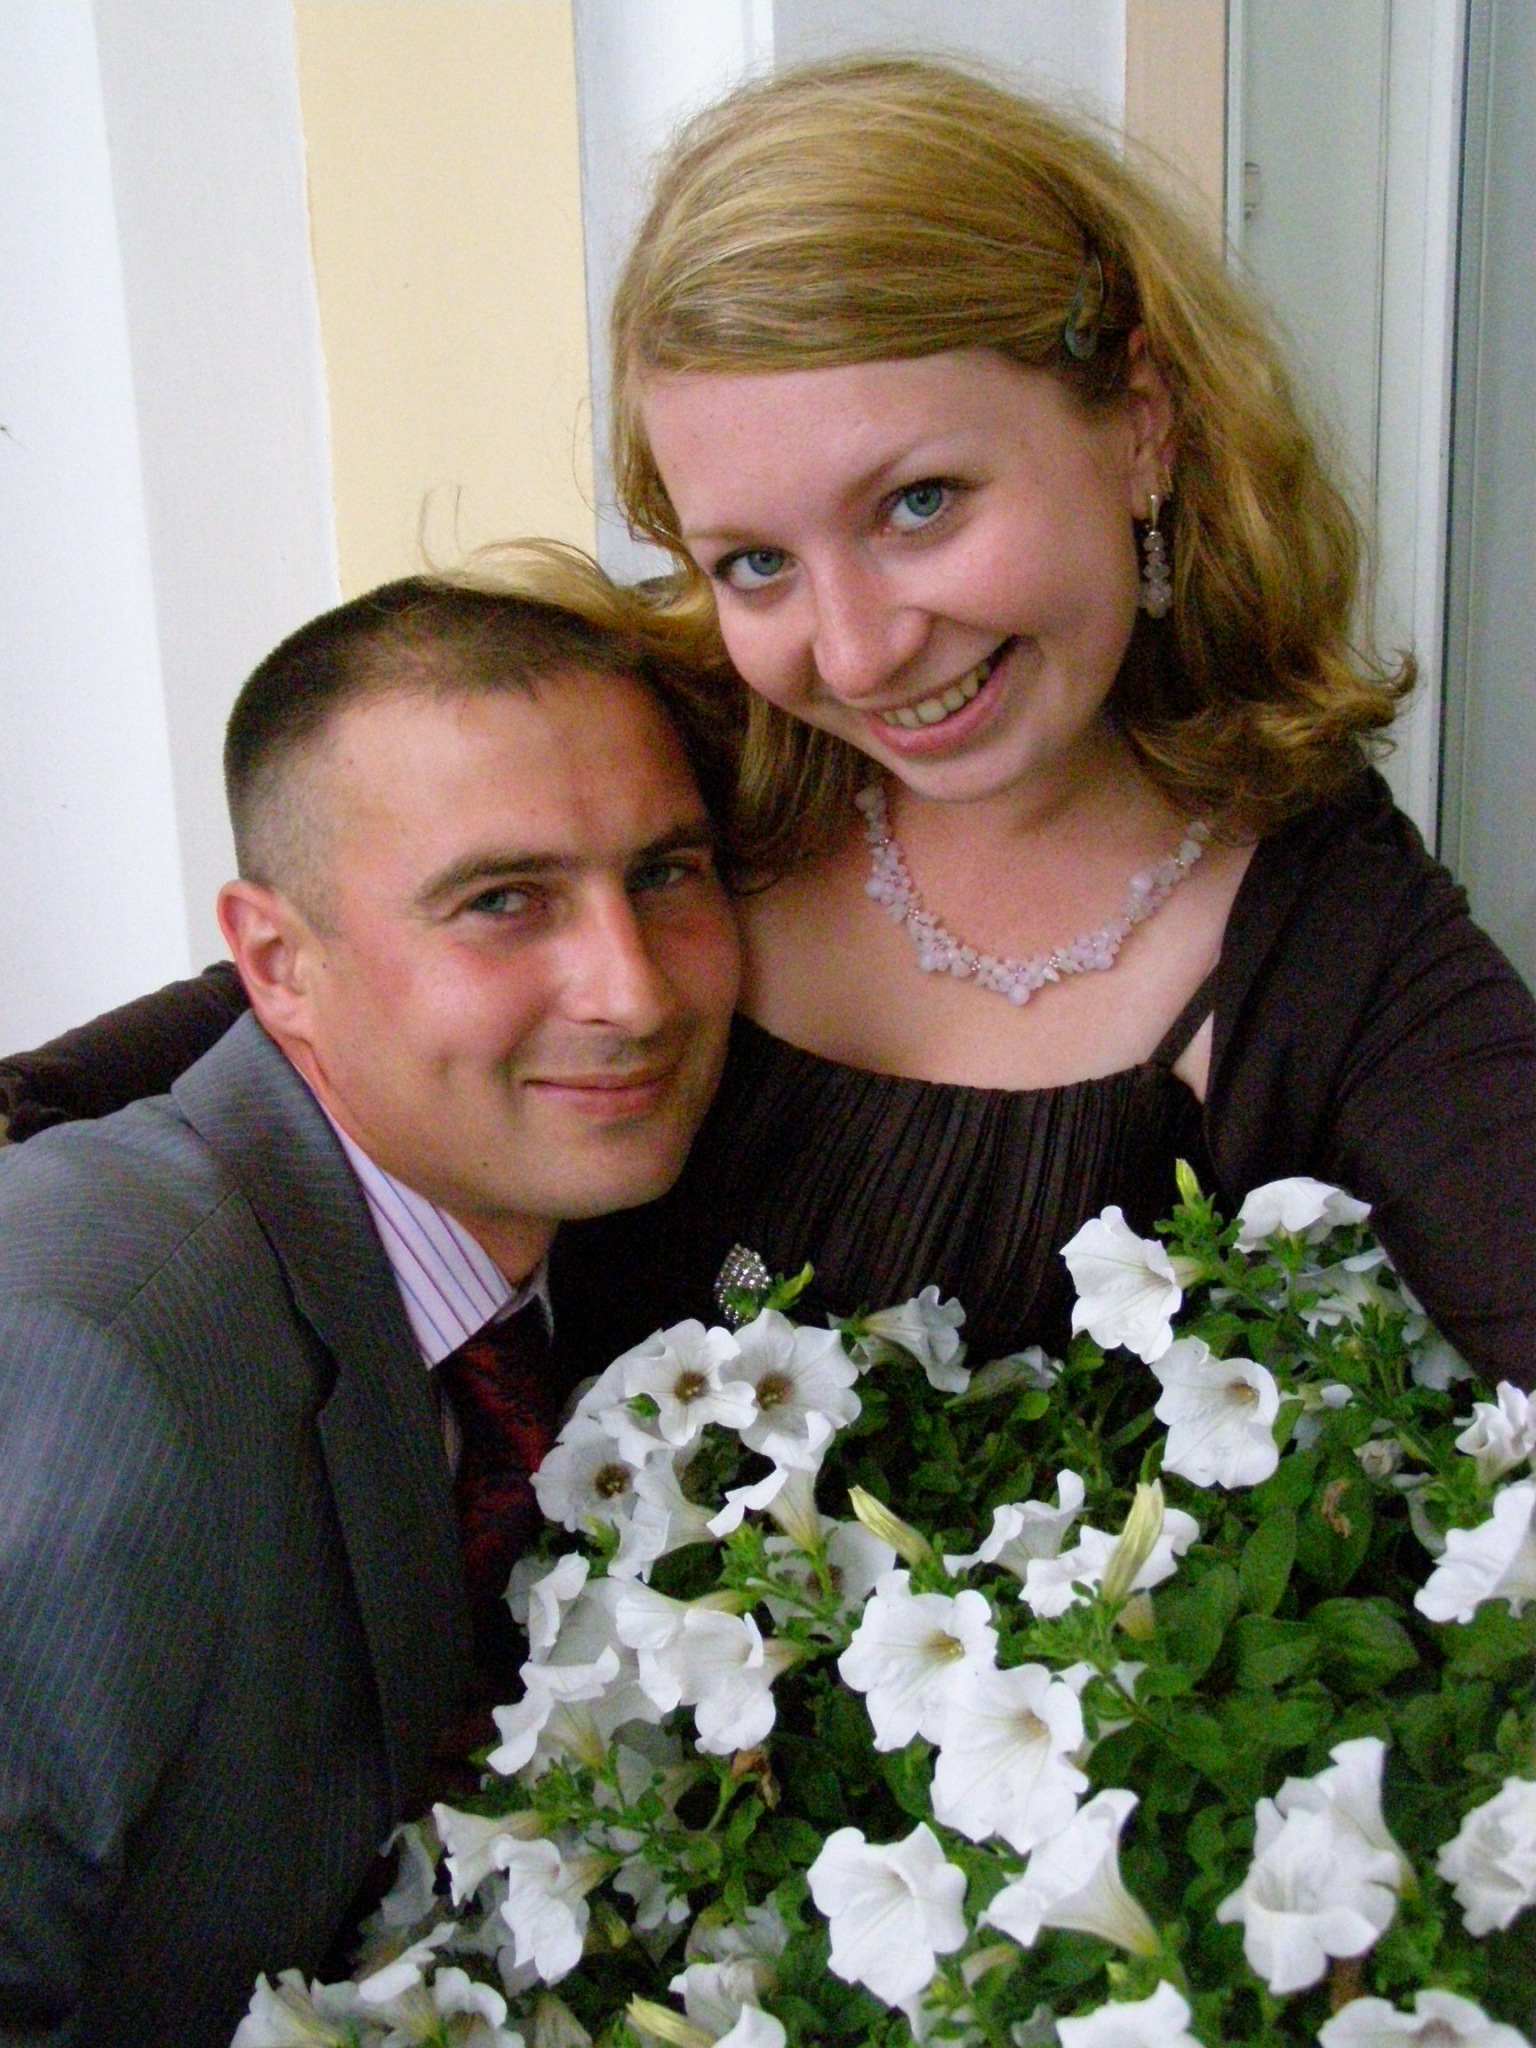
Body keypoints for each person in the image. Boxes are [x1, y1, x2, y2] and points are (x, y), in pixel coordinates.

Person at [4, 56, 1533, 1387]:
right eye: (754, 563)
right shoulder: (663, 770)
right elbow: (154, 1073)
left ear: (1141, 425)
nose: (856, 654)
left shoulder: (1331, 937)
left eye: (919, 504)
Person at [0, 561, 739, 2046]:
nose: (636, 992)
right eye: (503, 902)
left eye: (666, 874)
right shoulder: (92, 1342)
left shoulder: (587, 1258)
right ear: (279, 964)